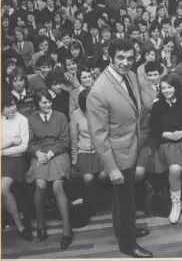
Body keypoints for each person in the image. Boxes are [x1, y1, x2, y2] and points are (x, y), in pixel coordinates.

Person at [86, 39, 152, 258]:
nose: (125, 63)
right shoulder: (99, 91)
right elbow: (98, 136)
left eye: (130, 58)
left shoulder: (131, 76)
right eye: (120, 58)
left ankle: (124, 229)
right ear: (110, 57)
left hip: (132, 147)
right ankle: (127, 244)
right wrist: (112, 168)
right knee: (126, 200)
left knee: (124, 196)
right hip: (117, 155)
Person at [150, 74, 182, 224]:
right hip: (166, 144)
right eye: (163, 88)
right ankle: (176, 203)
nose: (166, 90)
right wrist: (164, 133)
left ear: (176, 87)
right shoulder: (157, 106)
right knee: (174, 169)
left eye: (169, 87)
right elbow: (153, 129)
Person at [26, 88, 72, 250]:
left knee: (57, 186)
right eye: (44, 102)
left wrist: (51, 153)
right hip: (39, 155)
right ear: (37, 104)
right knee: (40, 184)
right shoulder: (30, 119)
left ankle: (67, 229)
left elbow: (65, 140)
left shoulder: (60, 117)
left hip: (58, 153)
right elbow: (29, 143)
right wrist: (38, 153)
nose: (48, 105)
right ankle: (40, 223)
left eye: (49, 101)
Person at [70, 89, 108, 216]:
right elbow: (74, 138)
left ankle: (102, 202)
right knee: (88, 178)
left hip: (100, 151)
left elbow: (107, 134)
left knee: (104, 175)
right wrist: (74, 157)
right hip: (84, 152)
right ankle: (91, 205)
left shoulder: (102, 112)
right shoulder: (75, 114)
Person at [1, 91, 33, 241]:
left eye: (13, 104)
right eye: (7, 106)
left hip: (16, 160)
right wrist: (12, 141)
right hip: (3, 158)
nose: (11, 109)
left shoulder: (22, 120)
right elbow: (14, 144)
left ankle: (20, 226)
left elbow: (23, 147)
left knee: (2, 188)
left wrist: (2, 152)